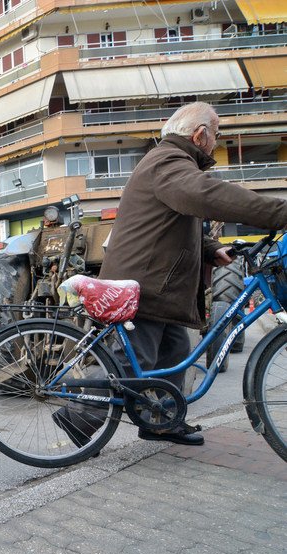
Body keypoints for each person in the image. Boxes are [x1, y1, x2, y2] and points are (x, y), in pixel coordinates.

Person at [54, 102, 287, 447]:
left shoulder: (171, 162)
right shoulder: (168, 162)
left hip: (160, 283)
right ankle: (79, 416)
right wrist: (280, 212)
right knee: (132, 360)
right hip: (147, 282)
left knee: (174, 356)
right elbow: (209, 195)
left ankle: (161, 422)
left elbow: (170, 224)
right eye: (216, 134)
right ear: (200, 134)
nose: (217, 141)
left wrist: (210, 249)